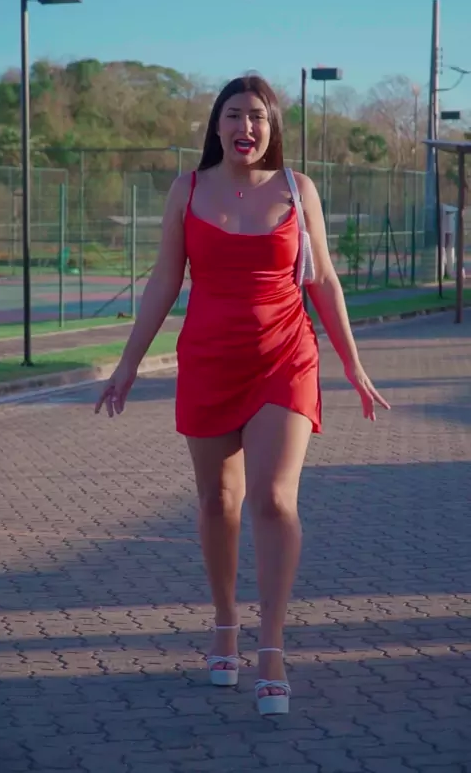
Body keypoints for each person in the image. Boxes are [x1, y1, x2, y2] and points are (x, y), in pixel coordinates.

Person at [95, 74, 390, 716]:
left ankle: (271, 647)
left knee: (274, 500)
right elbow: (164, 282)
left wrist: (354, 366)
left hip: (286, 357)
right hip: (208, 361)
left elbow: (324, 281)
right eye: (234, 114)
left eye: (257, 115)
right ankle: (225, 623)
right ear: (217, 125)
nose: (245, 126)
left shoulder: (297, 190)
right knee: (216, 500)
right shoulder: (187, 190)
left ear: (272, 126)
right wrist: (127, 365)